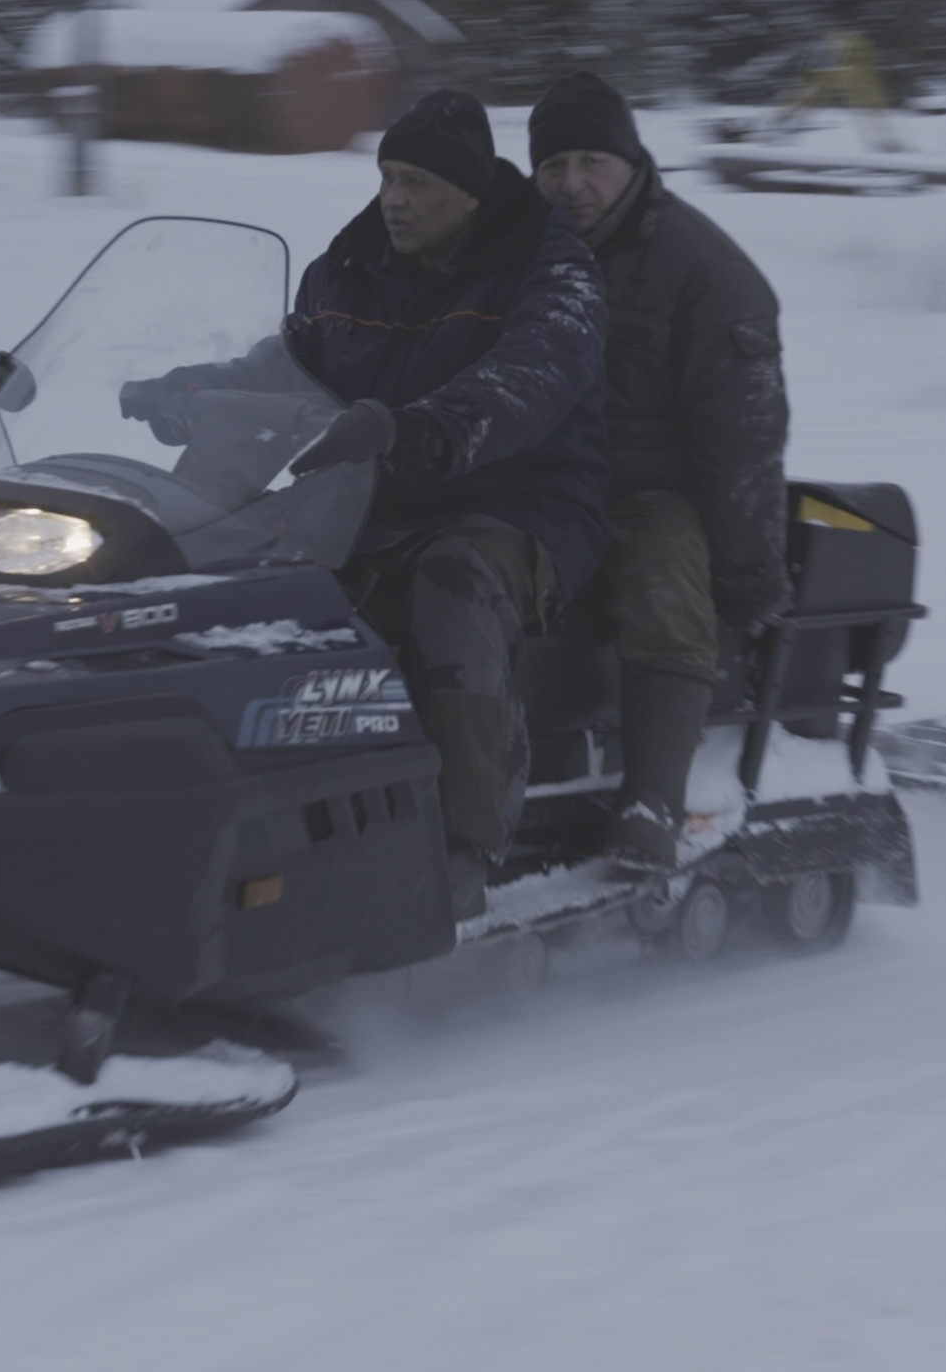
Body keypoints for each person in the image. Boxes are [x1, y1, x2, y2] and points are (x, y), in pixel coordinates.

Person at [123, 89, 606, 919]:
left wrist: (426, 426)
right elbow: (286, 363)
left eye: (417, 182)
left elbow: (530, 375)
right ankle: (185, 792)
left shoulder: (552, 271)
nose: (394, 199)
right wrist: (187, 391)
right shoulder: (350, 267)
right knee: (217, 560)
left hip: (517, 504)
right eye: (387, 177)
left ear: (471, 194)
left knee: (450, 582)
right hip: (367, 491)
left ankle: (463, 847)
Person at [523, 70, 788, 869]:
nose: (571, 183)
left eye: (590, 162)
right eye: (552, 165)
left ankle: (650, 801)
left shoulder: (704, 270)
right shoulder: (514, 251)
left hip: (646, 493)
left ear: (631, 162)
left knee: (663, 582)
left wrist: (746, 581)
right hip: (537, 485)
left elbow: (742, 440)